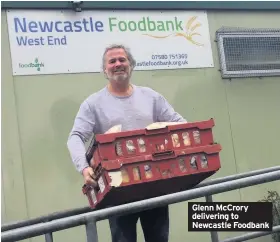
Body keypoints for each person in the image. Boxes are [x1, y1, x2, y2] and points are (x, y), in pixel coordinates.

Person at [67, 44, 187, 242]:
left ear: (131, 65)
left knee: (159, 238)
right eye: (112, 61)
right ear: (105, 70)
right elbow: (75, 137)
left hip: (153, 185)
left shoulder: (151, 97)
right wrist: (84, 167)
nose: (118, 64)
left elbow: (180, 124)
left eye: (122, 60)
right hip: (117, 190)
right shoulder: (93, 104)